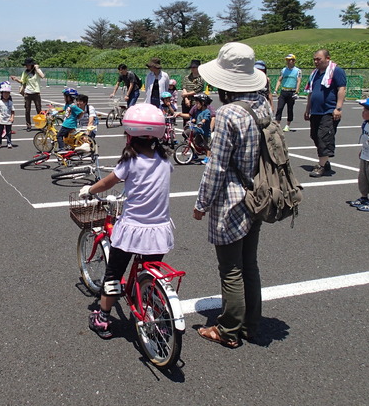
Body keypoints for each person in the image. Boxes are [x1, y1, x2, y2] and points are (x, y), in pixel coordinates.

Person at [192, 42, 269, 348]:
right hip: (258, 193)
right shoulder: (263, 106)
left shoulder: (227, 114)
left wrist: (201, 204)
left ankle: (228, 330)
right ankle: (251, 325)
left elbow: (217, 168)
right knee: (249, 263)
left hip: (232, 199)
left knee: (231, 268)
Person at [81, 103, 173, 339]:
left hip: (133, 228)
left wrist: (90, 190)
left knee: (114, 273)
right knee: (150, 272)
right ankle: (155, 313)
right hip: (159, 230)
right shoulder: (165, 160)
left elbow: (108, 183)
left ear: (130, 135)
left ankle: (102, 318)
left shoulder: (130, 161)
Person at [304, 49, 347, 178]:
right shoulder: (315, 74)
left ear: (327, 58)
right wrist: (307, 109)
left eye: (319, 59)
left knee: (324, 137)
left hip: (328, 111)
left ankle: (321, 166)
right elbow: (311, 93)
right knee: (315, 136)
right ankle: (325, 161)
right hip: (316, 111)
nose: (316, 61)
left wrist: (338, 108)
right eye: (315, 59)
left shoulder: (336, 71)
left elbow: (342, 89)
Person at [11, 58, 45, 131]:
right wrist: (16, 79)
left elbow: (42, 76)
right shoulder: (25, 72)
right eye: (26, 65)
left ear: (32, 65)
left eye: (28, 65)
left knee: (39, 109)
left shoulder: (36, 71)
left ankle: (41, 125)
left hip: (36, 92)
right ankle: (28, 125)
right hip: (27, 93)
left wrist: (37, 68)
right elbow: (22, 81)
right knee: (27, 110)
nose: (26, 66)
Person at [274, 54, 302, 132]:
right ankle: (278, 124)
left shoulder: (298, 71)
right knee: (279, 108)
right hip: (284, 91)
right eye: (287, 60)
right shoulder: (283, 70)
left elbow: (298, 81)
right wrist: (276, 89)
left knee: (290, 109)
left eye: (290, 60)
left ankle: (287, 125)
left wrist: (296, 91)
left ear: (293, 61)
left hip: (292, 91)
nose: (288, 62)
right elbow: (280, 80)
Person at [191, 93, 213, 164]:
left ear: (203, 103)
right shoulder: (198, 111)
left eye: (197, 103)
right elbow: (196, 117)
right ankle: (200, 153)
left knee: (207, 146)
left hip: (206, 132)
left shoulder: (207, 112)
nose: (196, 105)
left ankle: (208, 158)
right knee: (196, 142)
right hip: (199, 131)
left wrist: (201, 122)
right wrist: (194, 120)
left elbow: (205, 119)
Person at [181, 59, 204, 124]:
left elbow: (196, 90)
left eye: (194, 67)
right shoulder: (186, 77)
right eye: (191, 67)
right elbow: (184, 88)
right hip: (185, 101)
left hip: (196, 102)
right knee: (185, 120)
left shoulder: (201, 78)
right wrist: (186, 99)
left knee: (195, 119)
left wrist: (185, 95)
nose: (192, 69)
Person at [0, 81, 16, 148]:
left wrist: (12, 117)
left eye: (7, 93)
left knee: (8, 132)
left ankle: (9, 143)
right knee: (0, 132)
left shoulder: (10, 103)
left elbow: (12, 111)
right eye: (4, 93)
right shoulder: (0, 102)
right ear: (2, 93)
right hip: (1, 119)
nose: (6, 95)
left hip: (8, 119)